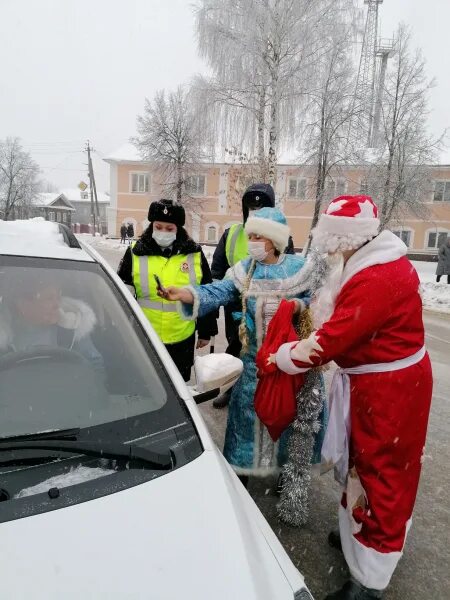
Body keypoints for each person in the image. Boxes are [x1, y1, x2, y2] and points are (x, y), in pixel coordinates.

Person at [273, 195, 433, 600]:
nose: (326, 248)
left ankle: (370, 579)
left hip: (390, 393)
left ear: (345, 236)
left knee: (382, 471)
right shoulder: (369, 261)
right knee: (362, 461)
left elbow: (330, 341)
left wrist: (281, 357)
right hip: (377, 384)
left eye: (329, 238)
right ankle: (359, 534)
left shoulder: (376, 277)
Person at [158, 207, 326, 500]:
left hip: (291, 370)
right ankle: (240, 490)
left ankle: (288, 486)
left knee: (289, 428)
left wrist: (299, 307)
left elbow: (322, 302)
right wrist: (183, 293)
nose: (252, 242)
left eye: (258, 236)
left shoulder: (300, 269)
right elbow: (217, 291)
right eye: (250, 236)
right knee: (245, 431)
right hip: (254, 370)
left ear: (274, 240)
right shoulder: (244, 271)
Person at [211, 183, 294, 408]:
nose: (255, 214)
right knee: (235, 348)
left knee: (264, 350)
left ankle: (265, 392)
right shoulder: (232, 234)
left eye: (261, 209)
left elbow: (289, 271)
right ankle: (231, 389)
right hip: (236, 306)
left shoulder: (280, 237)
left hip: (267, 305)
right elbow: (217, 272)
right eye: (251, 209)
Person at [117, 199, 217, 382]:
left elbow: (207, 292)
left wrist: (205, 331)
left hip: (182, 337)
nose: (163, 232)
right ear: (151, 226)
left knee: (178, 387)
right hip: (145, 335)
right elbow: (121, 294)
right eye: (158, 226)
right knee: (147, 383)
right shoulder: (135, 252)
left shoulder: (194, 253)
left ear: (178, 229)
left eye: (169, 228)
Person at [0, 271, 103, 370]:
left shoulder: (73, 326)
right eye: (49, 298)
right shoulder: (4, 335)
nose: (57, 305)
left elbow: (96, 366)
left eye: (58, 297)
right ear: (22, 304)